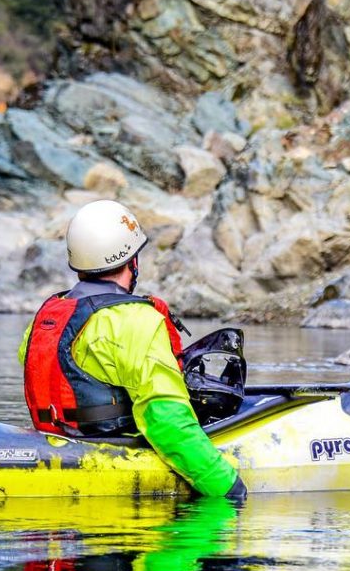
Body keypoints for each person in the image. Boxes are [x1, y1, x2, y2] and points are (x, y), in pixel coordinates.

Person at [19, 199, 246, 500]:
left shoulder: (48, 316)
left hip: (56, 445)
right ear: (132, 261)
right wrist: (230, 487)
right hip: (110, 454)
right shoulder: (135, 321)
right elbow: (166, 421)